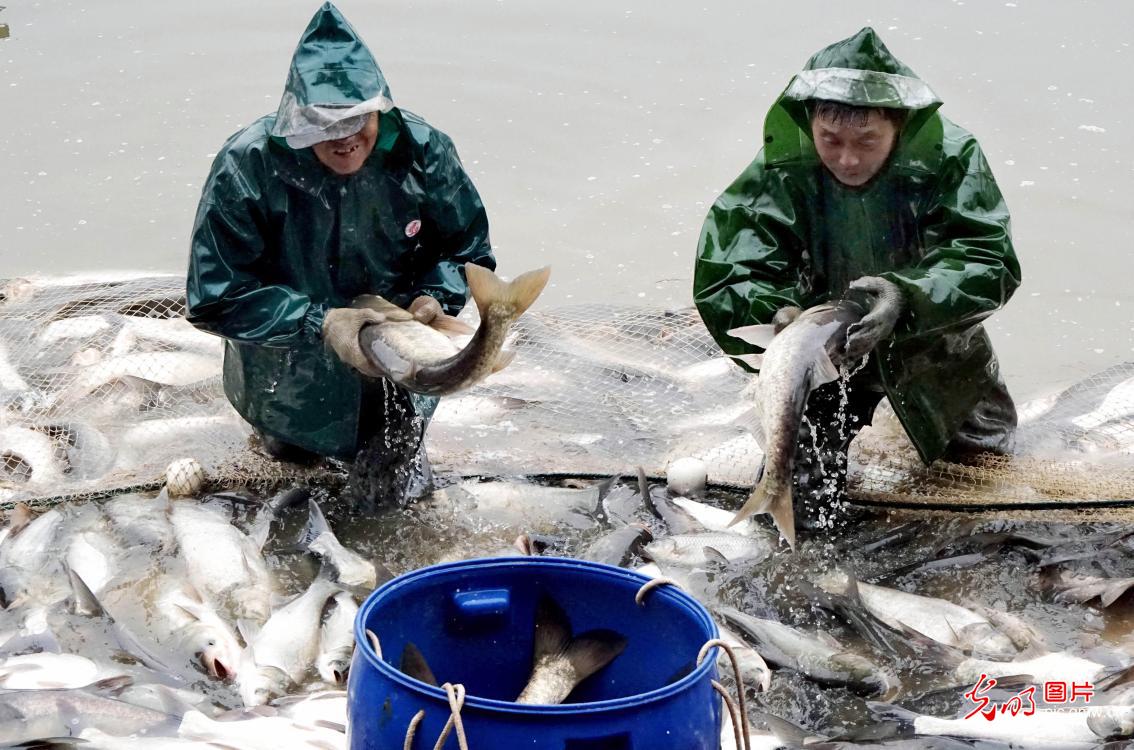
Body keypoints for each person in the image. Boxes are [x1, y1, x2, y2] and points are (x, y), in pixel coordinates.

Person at [693, 27, 1022, 528]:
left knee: (983, 476)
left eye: (867, 141)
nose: (847, 158)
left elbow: (986, 259)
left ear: (900, 126)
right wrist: (776, 315)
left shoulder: (951, 159)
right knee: (799, 503)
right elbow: (731, 270)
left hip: (931, 340)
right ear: (811, 125)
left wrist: (905, 297)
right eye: (831, 140)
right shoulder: (780, 171)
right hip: (825, 345)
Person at [186, 3, 495, 504]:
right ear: (296, 121)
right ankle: (289, 452)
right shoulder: (246, 167)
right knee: (287, 485)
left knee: (391, 495)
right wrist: (320, 322)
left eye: (357, 120)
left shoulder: (424, 150)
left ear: (379, 108)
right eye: (325, 126)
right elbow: (215, 297)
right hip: (287, 385)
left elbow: (466, 249)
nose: (345, 138)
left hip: (399, 366)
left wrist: (435, 297)